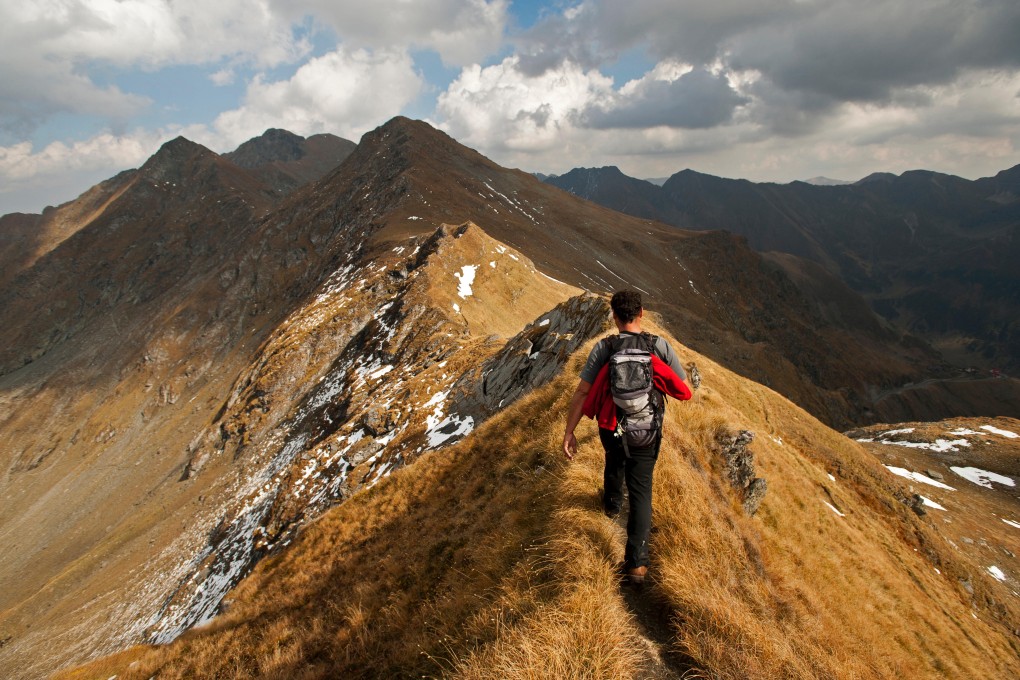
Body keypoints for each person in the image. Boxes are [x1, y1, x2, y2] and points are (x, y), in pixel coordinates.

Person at [562, 290, 691, 585]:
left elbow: (582, 391)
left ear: (614, 316)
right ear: (642, 313)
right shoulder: (659, 346)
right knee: (642, 491)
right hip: (646, 430)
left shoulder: (604, 348)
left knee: (614, 460)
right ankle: (636, 565)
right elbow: (682, 387)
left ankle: (611, 504)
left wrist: (569, 432)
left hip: (613, 427)